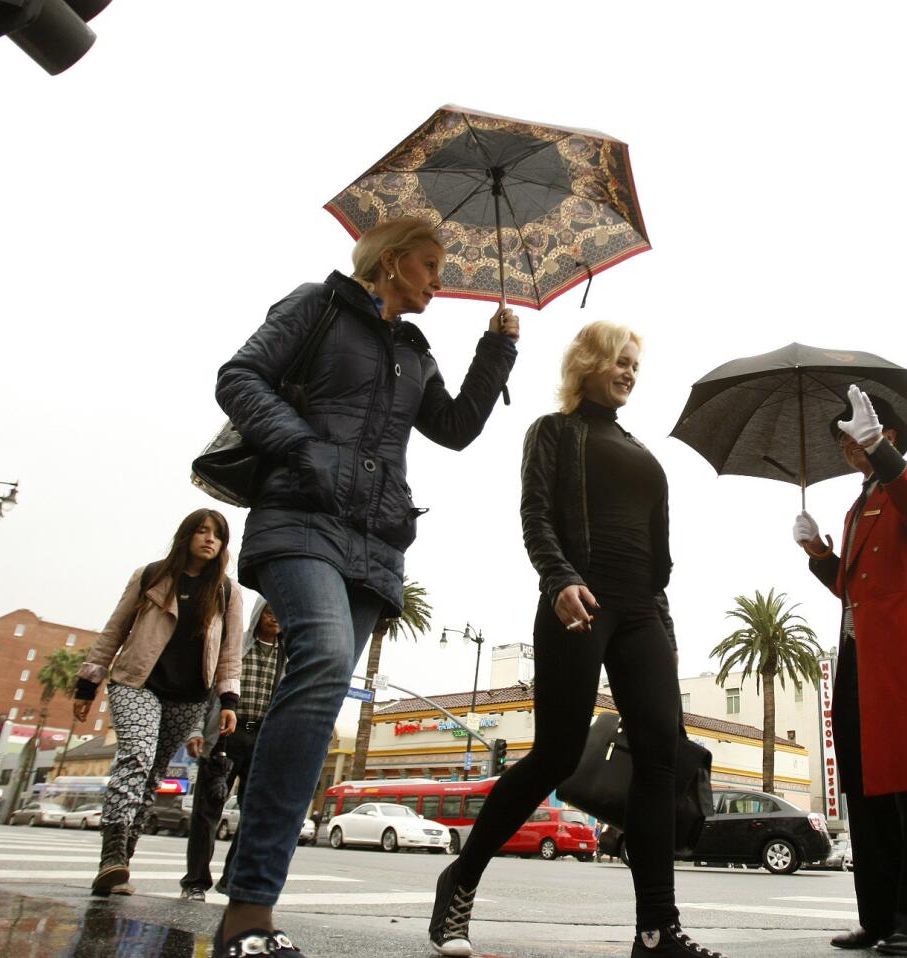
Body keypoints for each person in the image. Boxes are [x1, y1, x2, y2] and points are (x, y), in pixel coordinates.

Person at [213, 216, 518, 955]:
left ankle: (249, 885)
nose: (439, 279)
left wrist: (497, 349)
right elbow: (238, 378)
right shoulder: (316, 305)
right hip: (299, 515)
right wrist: (301, 446)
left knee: (316, 705)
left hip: (375, 544)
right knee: (318, 657)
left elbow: (454, 427)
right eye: (430, 264)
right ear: (390, 262)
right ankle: (251, 904)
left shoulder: (416, 353)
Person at [428, 321, 725, 958]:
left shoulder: (643, 450)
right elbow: (536, 514)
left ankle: (656, 930)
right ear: (587, 363)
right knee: (557, 756)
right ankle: (461, 878)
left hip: (643, 610)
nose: (627, 373)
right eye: (618, 361)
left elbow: (656, 554)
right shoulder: (555, 431)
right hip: (577, 603)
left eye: (634, 366)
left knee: (659, 757)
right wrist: (559, 578)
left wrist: (665, 626)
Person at [792, 386, 907, 958]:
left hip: (903, 660)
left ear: (883, 433)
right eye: (845, 442)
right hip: (859, 661)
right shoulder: (858, 503)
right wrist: (821, 555)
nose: (847, 449)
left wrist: (882, 451)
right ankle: (877, 918)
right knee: (865, 791)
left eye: (853, 436)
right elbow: (853, 589)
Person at [74, 509, 243, 897]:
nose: (209, 539)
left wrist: (228, 700)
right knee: (135, 758)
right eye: (201, 531)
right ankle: (111, 857)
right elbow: (114, 630)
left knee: (152, 775)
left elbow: (231, 653)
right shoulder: (150, 575)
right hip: (137, 683)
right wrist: (88, 685)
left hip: (190, 696)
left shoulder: (228, 592)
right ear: (186, 536)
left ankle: (121, 863)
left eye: (217, 535)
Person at [180, 599, 286, 902]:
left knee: (254, 814)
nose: (274, 618)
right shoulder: (234, 646)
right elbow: (205, 689)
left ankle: (232, 879)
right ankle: (195, 882)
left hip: (261, 736)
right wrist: (197, 729)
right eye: (268, 611)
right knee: (207, 811)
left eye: (279, 613)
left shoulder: (287, 654)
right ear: (257, 614)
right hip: (225, 734)